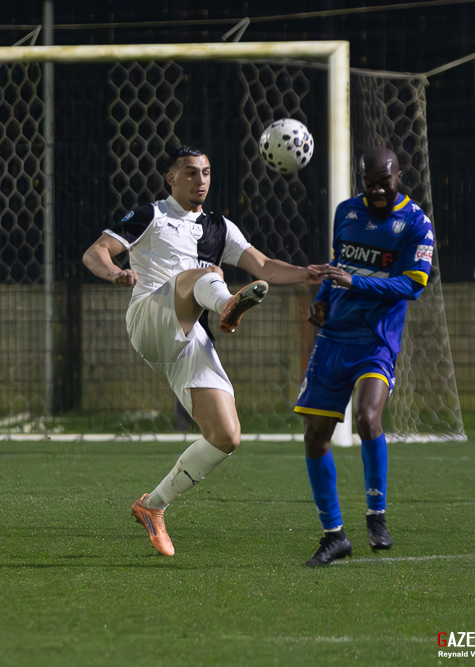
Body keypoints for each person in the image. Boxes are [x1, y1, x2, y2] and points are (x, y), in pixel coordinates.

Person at [82, 144, 322, 556]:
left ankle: (152, 506)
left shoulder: (220, 227)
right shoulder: (151, 214)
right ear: (171, 179)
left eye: (206, 172)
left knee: (226, 436)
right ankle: (228, 304)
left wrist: (309, 273)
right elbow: (96, 252)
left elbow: (262, 266)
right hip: (150, 316)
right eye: (190, 173)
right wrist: (115, 273)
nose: (201, 180)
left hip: (190, 335)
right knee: (204, 274)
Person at [296, 147, 435, 566]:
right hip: (334, 337)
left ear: (399, 175)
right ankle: (333, 535)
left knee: (368, 418)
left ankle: (377, 516)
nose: (376, 189)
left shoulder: (415, 223)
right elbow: (339, 264)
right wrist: (322, 300)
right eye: (369, 181)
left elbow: (412, 286)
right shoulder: (346, 212)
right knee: (315, 435)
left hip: (377, 339)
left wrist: (353, 281)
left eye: (384, 180)